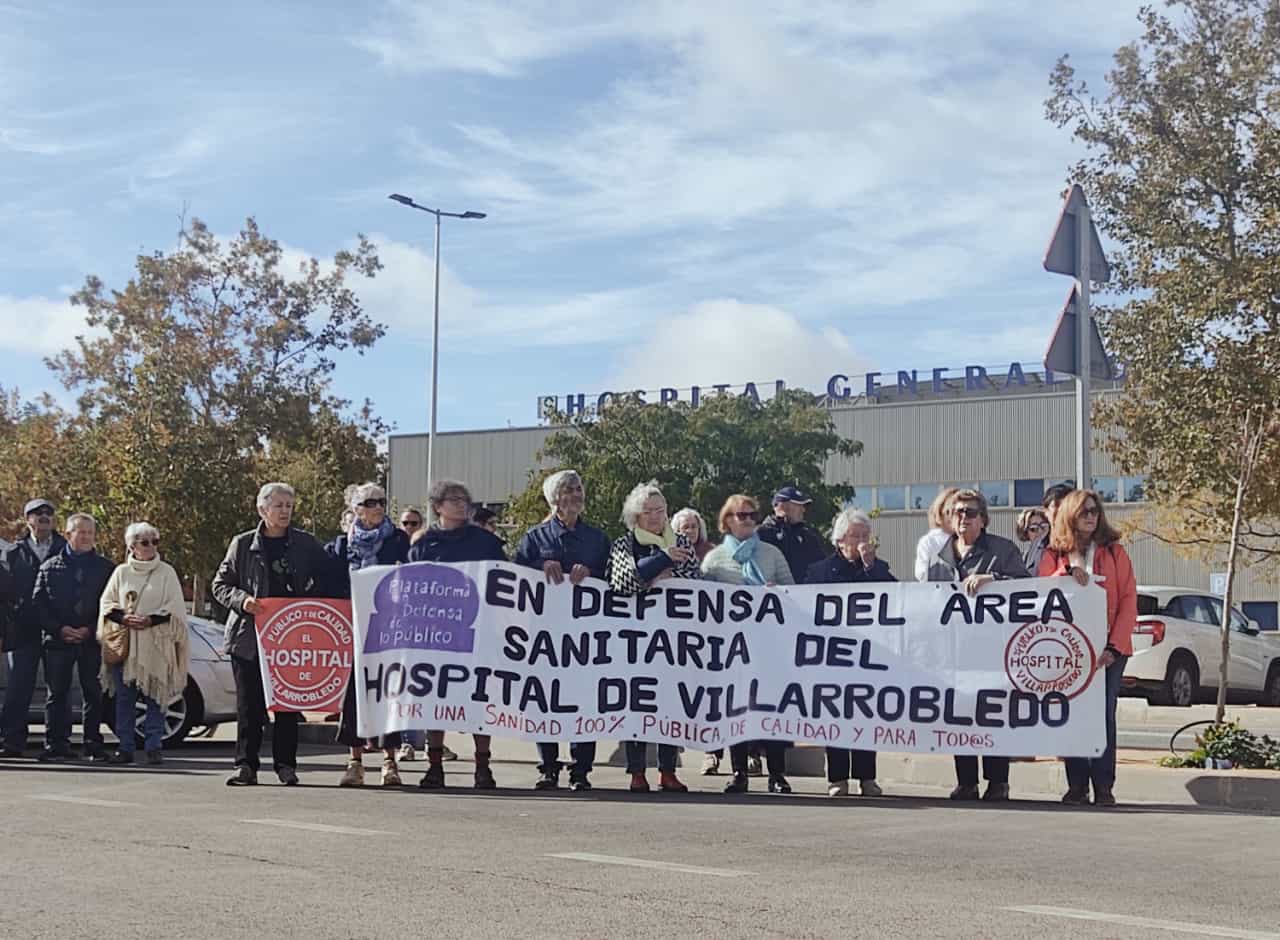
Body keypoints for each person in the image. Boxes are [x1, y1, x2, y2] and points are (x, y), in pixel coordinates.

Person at [212, 482, 332, 787]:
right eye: (278, 505)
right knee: (249, 706)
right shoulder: (241, 545)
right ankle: (246, 766)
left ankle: (286, 765)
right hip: (248, 637)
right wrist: (243, 601)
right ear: (262, 509)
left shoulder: (306, 544)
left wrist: (311, 603)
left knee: (288, 704)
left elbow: (330, 578)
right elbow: (220, 585)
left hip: (291, 637)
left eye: (289, 506)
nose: (284, 511)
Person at [926, 489, 1030, 801]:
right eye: (957, 512)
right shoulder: (940, 555)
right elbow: (929, 601)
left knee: (992, 714)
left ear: (983, 519)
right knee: (960, 714)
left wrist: (993, 579)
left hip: (993, 649)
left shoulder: (1002, 549)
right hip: (955, 650)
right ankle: (966, 780)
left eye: (970, 512)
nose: (962, 517)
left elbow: (1027, 588)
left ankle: (998, 782)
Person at [1037, 489, 1136, 807]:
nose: (1091, 516)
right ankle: (1077, 784)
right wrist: (1065, 574)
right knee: (1074, 715)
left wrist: (1115, 647)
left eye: (1094, 510)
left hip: (1109, 651)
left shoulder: (1115, 552)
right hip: (1069, 651)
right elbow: (1041, 590)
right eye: (1084, 511)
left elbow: (1128, 600)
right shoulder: (1055, 552)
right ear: (1070, 515)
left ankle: (1103, 786)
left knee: (1104, 716)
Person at [407, 480, 509, 789]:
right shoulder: (424, 542)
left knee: (478, 697)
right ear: (437, 506)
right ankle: (434, 766)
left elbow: (505, 579)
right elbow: (413, 585)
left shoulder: (486, 541)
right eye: (453, 500)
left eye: (465, 500)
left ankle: (482, 767)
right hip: (437, 633)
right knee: (437, 698)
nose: (461, 505)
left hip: (479, 631)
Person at [514, 469, 610, 791]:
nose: (576, 494)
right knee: (547, 699)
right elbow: (514, 580)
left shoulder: (597, 539)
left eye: (580, 488)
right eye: (569, 489)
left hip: (586, 635)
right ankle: (548, 767)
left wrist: (592, 572)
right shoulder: (534, 538)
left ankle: (581, 770)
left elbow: (612, 581)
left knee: (584, 699)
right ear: (555, 498)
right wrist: (538, 569)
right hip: (545, 636)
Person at [606, 481, 700, 793]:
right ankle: (637, 771)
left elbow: (693, 580)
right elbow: (623, 583)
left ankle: (668, 770)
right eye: (648, 512)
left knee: (670, 703)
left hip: (674, 637)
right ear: (636, 516)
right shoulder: (625, 544)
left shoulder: (682, 540)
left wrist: (662, 574)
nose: (656, 516)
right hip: (636, 639)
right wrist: (661, 561)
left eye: (660, 510)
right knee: (638, 703)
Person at [701, 494, 793, 794]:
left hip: (769, 646)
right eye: (742, 515)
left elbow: (794, 593)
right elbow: (701, 603)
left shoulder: (772, 553)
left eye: (753, 515)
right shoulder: (714, 560)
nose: (749, 520)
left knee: (772, 709)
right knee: (735, 709)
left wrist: (776, 592)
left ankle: (777, 773)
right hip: (732, 646)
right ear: (727, 520)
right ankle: (739, 771)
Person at [804, 508, 892, 798]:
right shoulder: (818, 571)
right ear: (840, 539)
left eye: (865, 536)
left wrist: (870, 566)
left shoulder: (878, 569)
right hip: (833, 656)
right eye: (855, 535)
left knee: (866, 715)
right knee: (836, 716)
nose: (861, 541)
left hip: (868, 656)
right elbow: (801, 604)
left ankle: (867, 777)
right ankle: (837, 778)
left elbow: (897, 597)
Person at [329, 483, 410, 788]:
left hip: (389, 629)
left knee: (389, 691)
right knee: (355, 695)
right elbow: (325, 583)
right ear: (355, 509)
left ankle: (390, 761)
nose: (377, 507)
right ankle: (355, 761)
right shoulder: (340, 546)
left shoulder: (399, 541)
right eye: (369, 502)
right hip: (352, 631)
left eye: (381, 501)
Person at [98, 523, 190, 766]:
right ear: (132, 546)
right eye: (145, 542)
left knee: (156, 698)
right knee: (124, 700)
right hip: (126, 645)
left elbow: (175, 607)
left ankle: (153, 747)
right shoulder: (121, 572)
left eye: (155, 541)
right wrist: (124, 618)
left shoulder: (166, 572)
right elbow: (106, 603)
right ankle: (125, 747)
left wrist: (151, 620)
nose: (151, 546)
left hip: (156, 643)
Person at [34, 512, 114, 762]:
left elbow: (111, 604)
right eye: (81, 532)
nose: (87, 537)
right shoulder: (49, 567)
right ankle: (56, 745)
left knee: (93, 691)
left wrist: (90, 629)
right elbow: (38, 605)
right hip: (58, 641)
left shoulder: (105, 568)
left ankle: (93, 744)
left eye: (90, 533)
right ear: (68, 535)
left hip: (92, 639)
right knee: (57, 693)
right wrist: (60, 629)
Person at [1, 499, 67, 757]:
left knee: (58, 688)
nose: (43, 517)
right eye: (37, 513)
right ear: (27, 519)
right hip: (23, 630)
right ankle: (12, 742)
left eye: (48, 513)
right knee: (19, 687)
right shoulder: (13, 552)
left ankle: (58, 744)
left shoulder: (66, 549)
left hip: (56, 629)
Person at [757, 485, 828, 584]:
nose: (803, 510)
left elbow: (823, 567)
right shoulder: (761, 534)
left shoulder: (808, 537)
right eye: (799, 505)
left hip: (806, 596)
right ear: (782, 506)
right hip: (773, 596)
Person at [1024, 482, 1075, 574]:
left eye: (1065, 506)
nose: (1061, 511)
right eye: (1056, 505)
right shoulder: (1038, 544)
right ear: (1046, 511)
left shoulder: (1084, 541)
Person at [914, 487, 959, 581]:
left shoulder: (971, 539)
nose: (956, 516)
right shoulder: (929, 541)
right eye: (950, 512)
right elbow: (922, 575)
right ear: (939, 513)